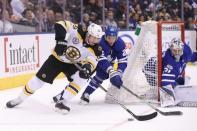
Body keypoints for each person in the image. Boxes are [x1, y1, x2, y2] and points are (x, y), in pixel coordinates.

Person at [6, 20, 103, 114]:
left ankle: (62, 102)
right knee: (37, 81)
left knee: (82, 78)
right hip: (57, 59)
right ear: (88, 34)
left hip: (73, 64)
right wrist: (60, 40)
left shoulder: (96, 49)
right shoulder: (79, 30)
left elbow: (92, 62)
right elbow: (61, 24)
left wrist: (87, 67)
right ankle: (19, 99)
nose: (94, 40)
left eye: (97, 39)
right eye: (93, 37)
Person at [79, 25, 128, 104]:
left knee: (103, 76)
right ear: (105, 36)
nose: (111, 40)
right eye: (109, 38)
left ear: (117, 37)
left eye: (113, 38)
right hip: (93, 60)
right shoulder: (100, 42)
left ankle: (86, 93)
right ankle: (65, 94)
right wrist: (111, 71)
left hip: (108, 62)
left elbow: (123, 60)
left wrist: (119, 72)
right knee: (82, 77)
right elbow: (101, 59)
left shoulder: (120, 43)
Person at [143, 38, 196, 107]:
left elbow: (193, 57)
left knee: (182, 81)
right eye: (174, 51)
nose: (177, 53)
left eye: (179, 51)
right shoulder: (170, 61)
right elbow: (165, 81)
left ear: (182, 50)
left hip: (159, 66)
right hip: (150, 71)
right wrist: (168, 99)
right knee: (173, 87)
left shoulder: (187, 52)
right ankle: (153, 91)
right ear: (171, 49)